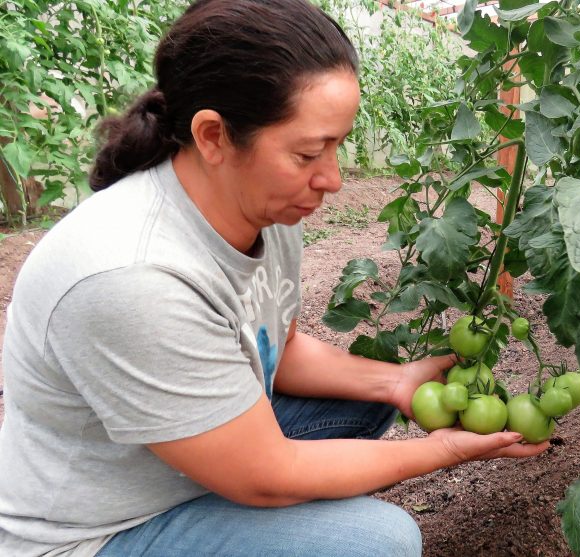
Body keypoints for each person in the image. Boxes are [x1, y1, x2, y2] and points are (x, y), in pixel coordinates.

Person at [0, 1, 549, 555]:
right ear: (213, 136)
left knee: (374, 394)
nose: (331, 178)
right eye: (309, 152)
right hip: (96, 532)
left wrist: (394, 381)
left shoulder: (265, 207)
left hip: (180, 464)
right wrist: (448, 450)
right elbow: (266, 475)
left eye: (338, 145)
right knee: (374, 541)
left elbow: (273, 350)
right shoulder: (132, 277)